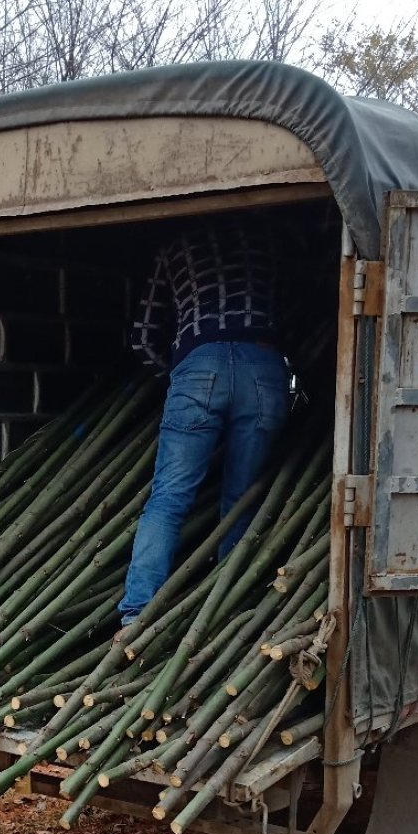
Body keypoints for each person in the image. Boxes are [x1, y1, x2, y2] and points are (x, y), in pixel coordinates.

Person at [118, 214, 291, 630]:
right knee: (242, 499)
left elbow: (142, 336)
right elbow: (300, 308)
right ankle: (226, 613)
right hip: (264, 368)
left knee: (169, 498)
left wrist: (176, 374)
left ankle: (136, 614)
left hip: (198, 365)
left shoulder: (176, 247)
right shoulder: (269, 241)